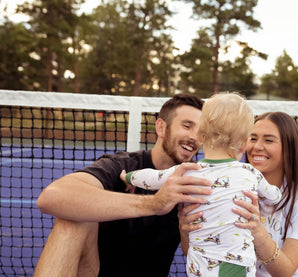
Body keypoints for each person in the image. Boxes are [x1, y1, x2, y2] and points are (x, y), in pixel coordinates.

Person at [34, 94, 213, 277]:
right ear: (161, 127)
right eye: (187, 126)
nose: (194, 137)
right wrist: (155, 203)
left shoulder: (198, 183)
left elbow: (200, 253)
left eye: (201, 132)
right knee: (72, 220)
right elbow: (50, 198)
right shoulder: (122, 166)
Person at [121, 92, 282, 277]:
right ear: (244, 144)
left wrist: (128, 177)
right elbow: (273, 196)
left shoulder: (187, 170)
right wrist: (275, 194)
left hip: (198, 265)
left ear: (201, 135)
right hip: (236, 266)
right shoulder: (252, 173)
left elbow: (152, 178)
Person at [180, 111, 298, 277]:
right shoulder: (225, 187)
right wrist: (186, 231)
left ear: (288, 148)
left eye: (268, 140)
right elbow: (197, 253)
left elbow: (285, 272)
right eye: (253, 138)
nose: (257, 146)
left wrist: (258, 232)